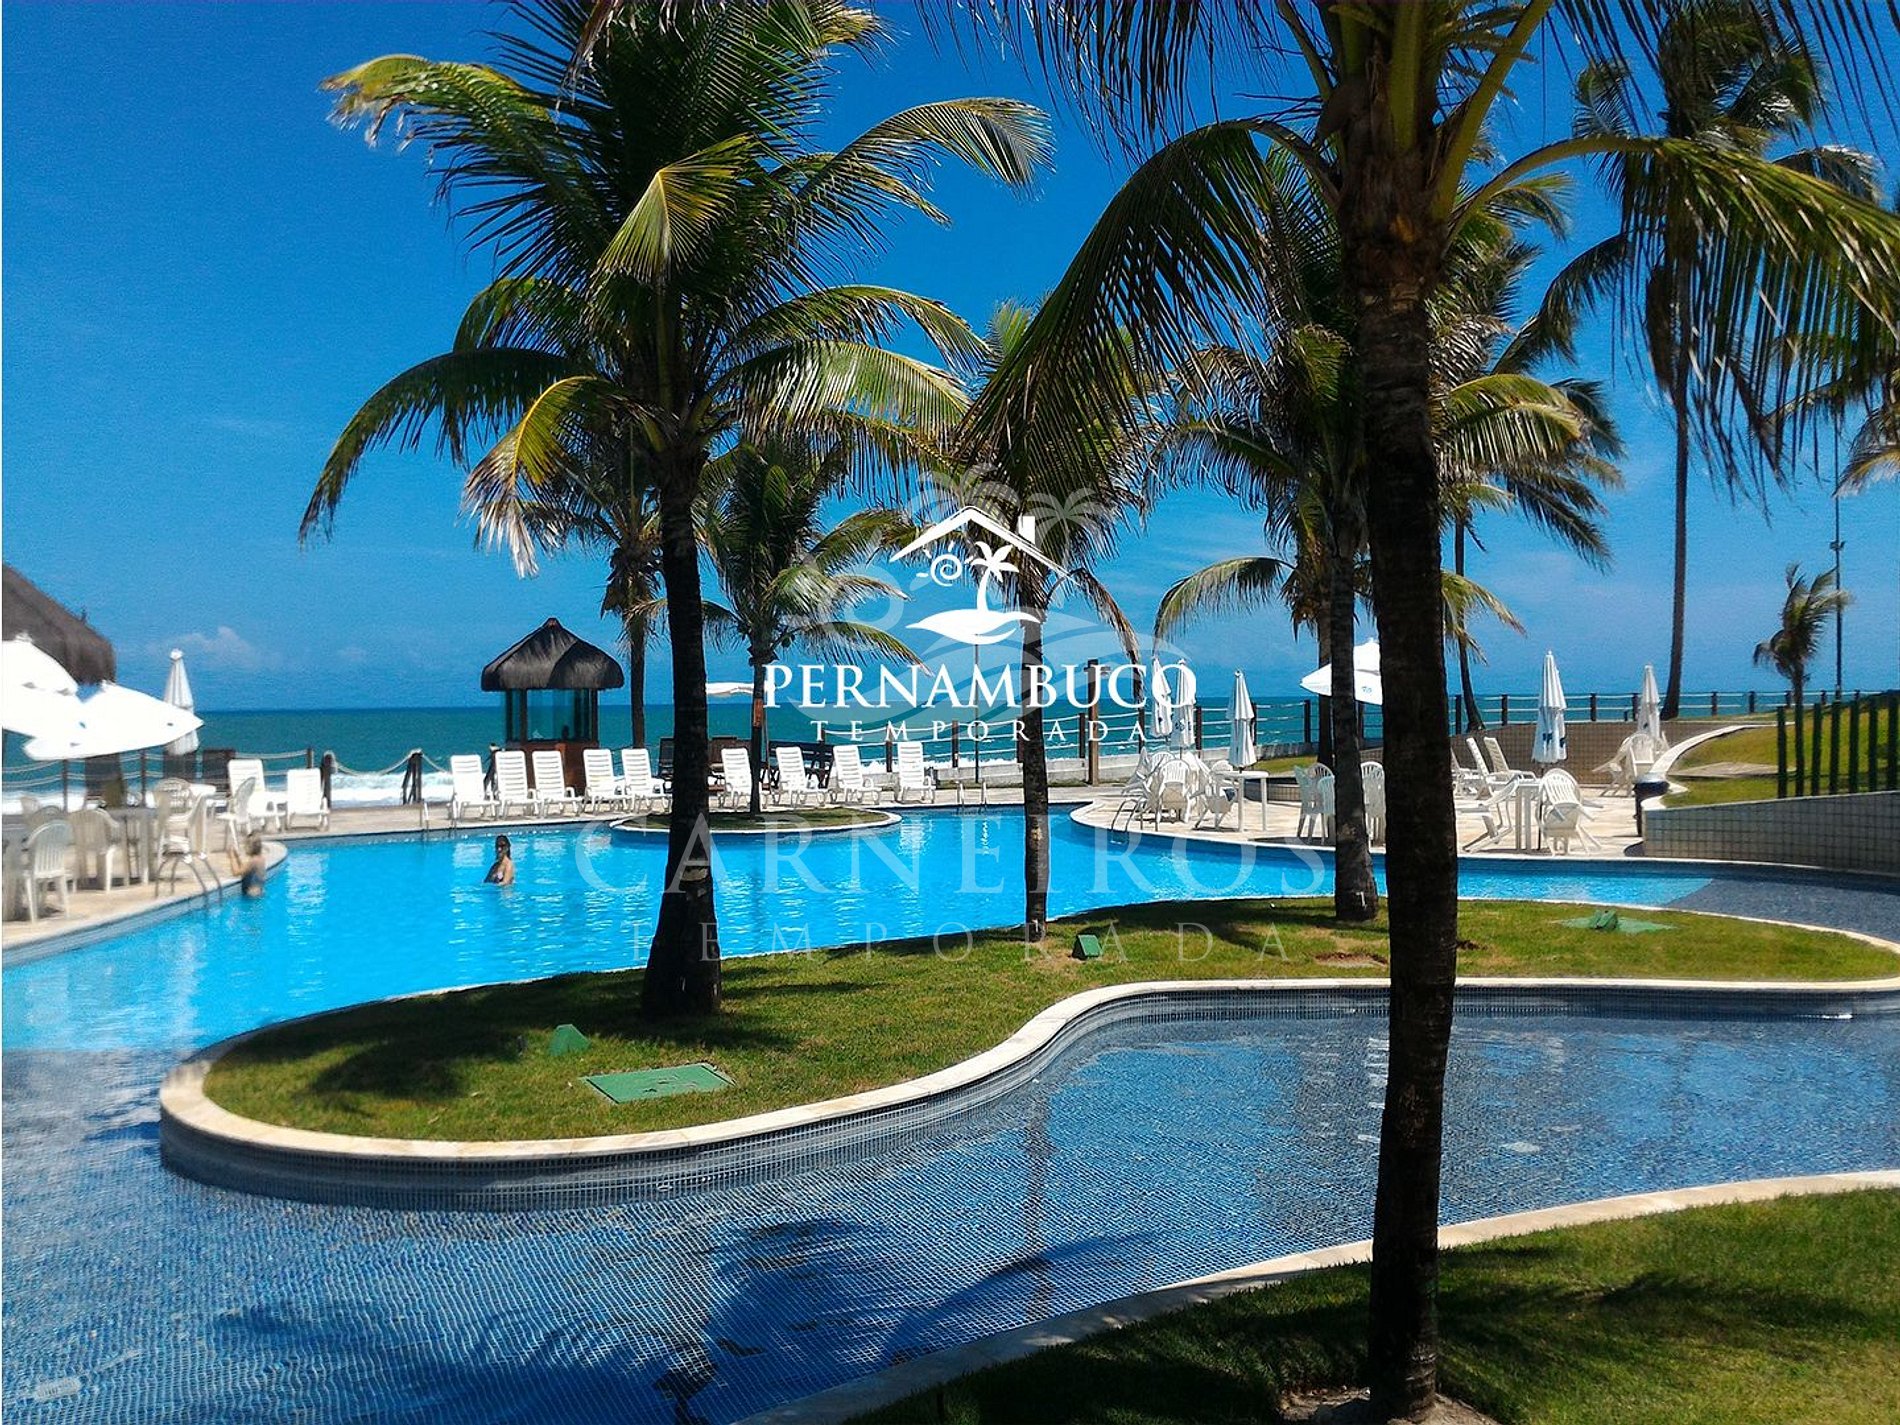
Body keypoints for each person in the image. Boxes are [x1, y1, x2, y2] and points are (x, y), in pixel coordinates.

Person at [230, 834, 267, 899]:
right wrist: (237, 857)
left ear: (249, 848)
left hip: (251, 895)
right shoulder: (261, 858)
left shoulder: (253, 861)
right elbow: (245, 869)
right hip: (259, 892)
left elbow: (235, 872)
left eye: (245, 846)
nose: (244, 848)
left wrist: (232, 857)